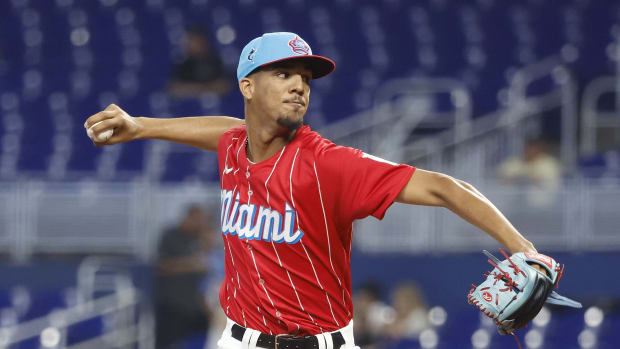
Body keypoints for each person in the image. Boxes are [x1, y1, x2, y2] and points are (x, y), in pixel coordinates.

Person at [85, 32, 545, 349]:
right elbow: (223, 129)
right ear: (247, 86)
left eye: (304, 78)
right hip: (235, 338)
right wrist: (141, 126)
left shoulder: (328, 164)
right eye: (283, 74)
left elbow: (446, 188)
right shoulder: (233, 146)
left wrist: (524, 250)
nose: (299, 86)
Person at [155, 205, 214, 348]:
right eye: (198, 220)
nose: (200, 224)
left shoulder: (197, 238)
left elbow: (207, 263)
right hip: (172, 305)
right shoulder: (170, 235)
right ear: (189, 217)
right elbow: (161, 266)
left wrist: (206, 237)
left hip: (194, 306)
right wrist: (190, 265)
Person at [168, 28, 231, 98]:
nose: (191, 45)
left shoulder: (215, 61)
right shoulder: (182, 65)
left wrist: (194, 88)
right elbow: (176, 89)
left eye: (195, 41)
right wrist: (205, 88)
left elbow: (224, 85)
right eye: (189, 42)